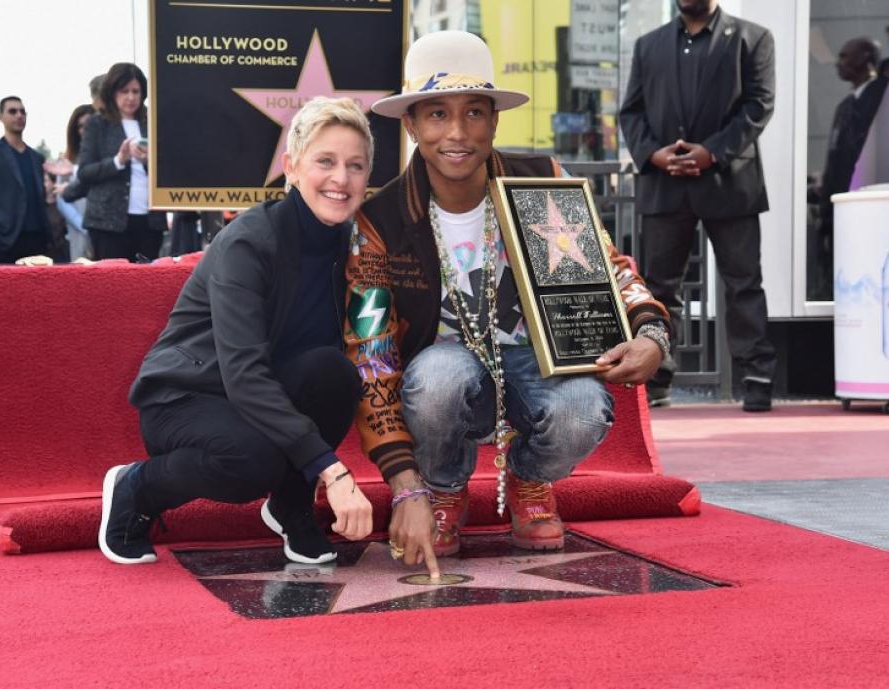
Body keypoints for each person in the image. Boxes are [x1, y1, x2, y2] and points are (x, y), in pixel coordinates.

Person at [345, 31, 670, 575]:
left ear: (494, 119)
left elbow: (609, 266)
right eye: (436, 114)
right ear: (411, 124)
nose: (456, 132)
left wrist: (650, 332)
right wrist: (405, 484)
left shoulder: (542, 179)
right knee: (437, 379)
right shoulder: (380, 220)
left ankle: (529, 477)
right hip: (443, 373)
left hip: (538, 363)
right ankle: (444, 488)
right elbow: (371, 352)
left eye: (474, 112)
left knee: (585, 408)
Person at [99, 97, 375, 565]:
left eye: (356, 165)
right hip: (186, 397)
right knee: (254, 458)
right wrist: (332, 471)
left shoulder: (354, 244)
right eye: (325, 161)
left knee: (334, 373)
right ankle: (135, 489)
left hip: (260, 392)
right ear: (291, 167)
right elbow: (243, 372)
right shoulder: (250, 241)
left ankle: (289, 505)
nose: (341, 179)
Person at [619, 0, 777, 412]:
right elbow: (631, 112)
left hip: (729, 182)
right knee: (658, 287)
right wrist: (653, 154)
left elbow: (759, 104)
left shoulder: (752, 38)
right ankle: (657, 377)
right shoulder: (647, 45)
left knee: (743, 283)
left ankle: (756, 376)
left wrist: (713, 152)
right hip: (664, 184)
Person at [813, 38, 888, 299]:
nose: (838, 62)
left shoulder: (880, 97)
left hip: (871, 208)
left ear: (866, 57)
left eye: (845, 56)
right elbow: (835, 160)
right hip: (842, 209)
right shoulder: (845, 106)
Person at [77, 63, 167, 261]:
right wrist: (119, 160)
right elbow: (84, 173)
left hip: (150, 220)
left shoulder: (154, 123)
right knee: (113, 284)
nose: (131, 97)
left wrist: (147, 162)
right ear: (112, 92)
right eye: (124, 91)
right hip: (107, 222)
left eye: (136, 91)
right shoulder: (97, 124)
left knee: (147, 283)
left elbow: (169, 169)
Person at [0, 96, 53, 264]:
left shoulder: (36, 157)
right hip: (3, 243)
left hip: (37, 241)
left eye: (22, 112)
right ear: (0, 117)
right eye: (12, 111)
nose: (19, 115)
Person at [54, 104, 96, 261]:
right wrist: (83, 226)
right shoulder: (67, 160)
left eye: (89, 124)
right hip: (78, 229)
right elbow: (61, 198)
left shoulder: (105, 158)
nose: (84, 130)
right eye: (80, 126)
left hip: (105, 226)